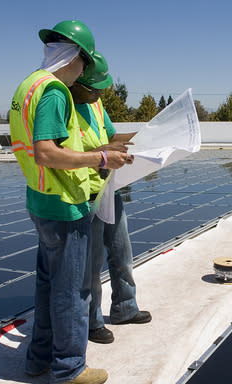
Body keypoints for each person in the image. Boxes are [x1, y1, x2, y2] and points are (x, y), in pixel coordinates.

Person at [9, 20, 133, 384]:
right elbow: (47, 152)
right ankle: (68, 367)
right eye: (85, 65)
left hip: (40, 199)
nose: (85, 73)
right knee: (72, 290)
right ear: (75, 58)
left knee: (48, 286)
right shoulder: (55, 91)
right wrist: (100, 160)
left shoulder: (28, 85)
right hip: (64, 204)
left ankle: (38, 359)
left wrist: (102, 151)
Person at [69, 52, 152, 345]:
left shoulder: (95, 104)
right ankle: (91, 322)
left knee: (122, 252)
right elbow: (78, 153)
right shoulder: (65, 107)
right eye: (94, 89)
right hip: (86, 194)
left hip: (109, 188)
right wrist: (104, 152)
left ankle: (125, 308)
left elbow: (113, 137)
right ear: (78, 82)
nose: (98, 95)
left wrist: (145, 135)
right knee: (91, 265)